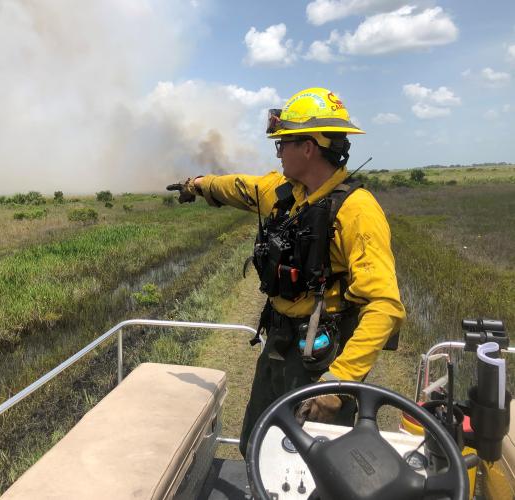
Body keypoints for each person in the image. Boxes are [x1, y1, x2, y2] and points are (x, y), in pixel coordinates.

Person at [167, 87, 406, 457]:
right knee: (257, 444)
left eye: (283, 144)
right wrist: (197, 184)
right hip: (277, 344)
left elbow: (385, 305)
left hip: (319, 359)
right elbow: (237, 185)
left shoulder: (357, 212)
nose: (277, 152)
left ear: (308, 147)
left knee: (314, 464)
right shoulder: (284, 193)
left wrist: (337, 382)